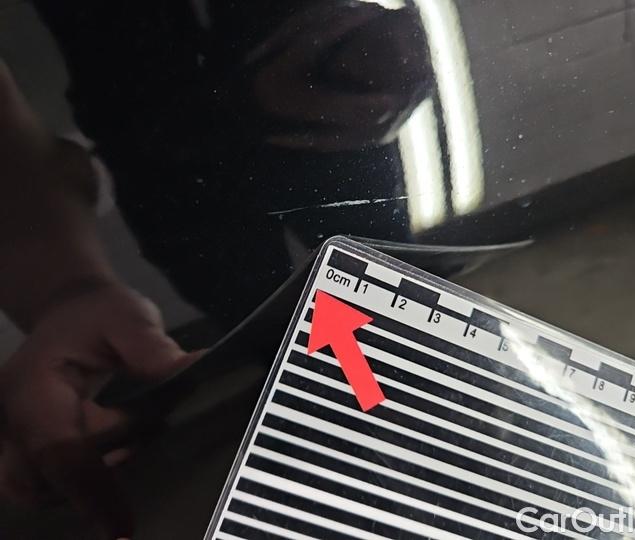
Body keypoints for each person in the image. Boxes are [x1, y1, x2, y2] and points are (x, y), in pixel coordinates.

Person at [0, 1, 431, 537]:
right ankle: (365, 438)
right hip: (165, 147)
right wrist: (64, 288)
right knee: (274, 325)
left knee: (397, 310)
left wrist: (66, 290)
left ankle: (409, 428)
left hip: (325, 98)